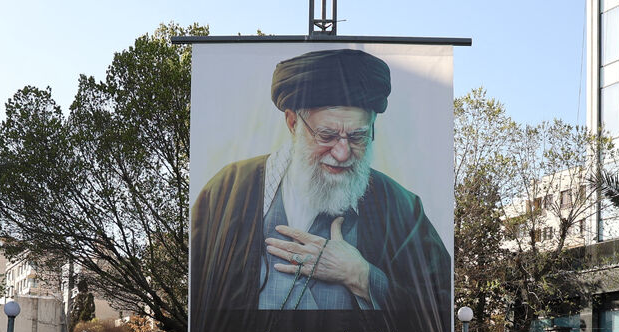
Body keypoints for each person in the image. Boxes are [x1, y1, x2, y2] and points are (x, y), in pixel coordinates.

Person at [191, 48, 451, 313]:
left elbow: (438, 305)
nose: (342, 153)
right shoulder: (227, 191)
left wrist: (361, 276)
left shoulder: (401, 207)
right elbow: (200, 301)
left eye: (357, 137)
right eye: (326, 136)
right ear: (293, 123)